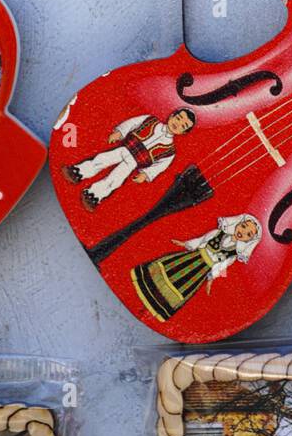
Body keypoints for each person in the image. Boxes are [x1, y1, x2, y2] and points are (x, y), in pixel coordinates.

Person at [130, 214, 262, 322]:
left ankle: (156, 307)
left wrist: (211, 278)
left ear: (249, 240)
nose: (243, 232)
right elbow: (201, 240)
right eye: (243, 226)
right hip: (194, 258)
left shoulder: (233, 254)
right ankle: (144, 286)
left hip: (202, 271)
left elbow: (222, 266)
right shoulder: (217, 233)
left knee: (182, 287)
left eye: (248, 234)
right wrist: (185, 244)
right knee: (170, 270)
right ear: (238, 224)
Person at [64, 109, 195, 210]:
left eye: (183, 126)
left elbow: (161, 166)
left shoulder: (170, 151)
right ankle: (77, 172)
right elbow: (132, 123)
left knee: (115, 180)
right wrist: (120, 132)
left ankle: (93, 195)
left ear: (183, 133)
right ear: (172, 115)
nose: (177, 124)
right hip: (124, 149)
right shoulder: (150, 120)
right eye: (178, 118)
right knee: (101, 160)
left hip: (133, 163)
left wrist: (146, 174)